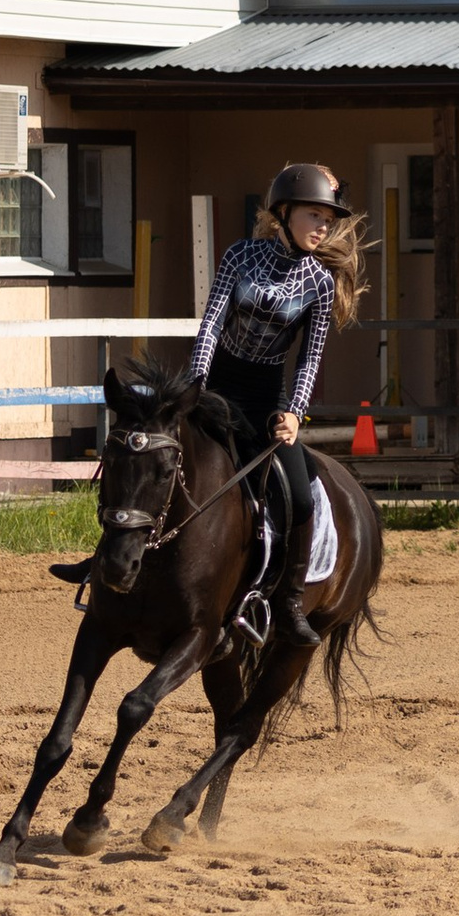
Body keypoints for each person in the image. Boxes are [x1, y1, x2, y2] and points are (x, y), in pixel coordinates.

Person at [188, 164, 363, 652]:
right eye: (314, 215)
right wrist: (196, 386)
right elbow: (210, 326)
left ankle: (285, 602)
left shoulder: (321, 283)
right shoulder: (239, 256)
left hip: (268, 398)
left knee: (303, 498)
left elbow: (310, 359)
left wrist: (296, 413)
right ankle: (102, 562)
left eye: (329, 219)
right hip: (214, 384)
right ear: (283, 213)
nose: (323, 226)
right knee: (152, 453)